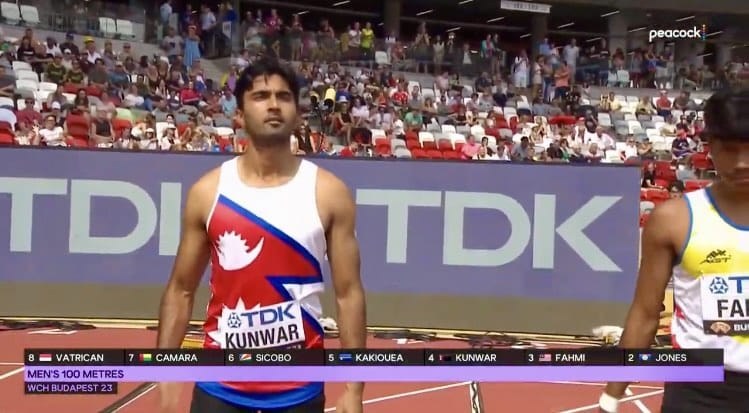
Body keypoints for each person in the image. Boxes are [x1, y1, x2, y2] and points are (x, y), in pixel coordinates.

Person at [156, 58, 367, 413]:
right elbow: (181, 289)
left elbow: (349, 295)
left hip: (299, 393)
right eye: (260, 96)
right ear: (239, 115)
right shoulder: (208, 193)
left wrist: (354, 388)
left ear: (297, 114)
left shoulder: (329, 193)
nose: (273, 104)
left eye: (283, 96)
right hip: (219, 390)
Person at [599, 88, 749, 412]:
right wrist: (611, 395)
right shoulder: (674, 220)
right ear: (710, 147)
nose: (742, 163)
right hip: (698, 391)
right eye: (730, 150)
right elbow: (645, 313)